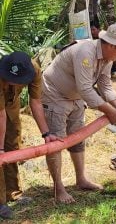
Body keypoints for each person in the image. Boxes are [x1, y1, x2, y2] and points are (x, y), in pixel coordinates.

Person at [42, 24, 116, 203]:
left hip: (75, 96)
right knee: (56, 140)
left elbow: (105, 86)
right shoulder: (86, 52)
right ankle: (59, 189)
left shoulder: (107, 59)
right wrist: (111, 112)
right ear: (111, 45)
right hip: (55, 94)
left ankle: (81, 179)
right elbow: (86, 89)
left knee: (77, 137)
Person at [0, 52, 58, 219]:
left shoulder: (35, 70)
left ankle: (13, 193)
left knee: (13, 147)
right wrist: (0, 147)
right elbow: (0, 115)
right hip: (0, 110)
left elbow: (36, 102)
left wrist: (46, 133)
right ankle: (0, 202)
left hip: (11, 107)